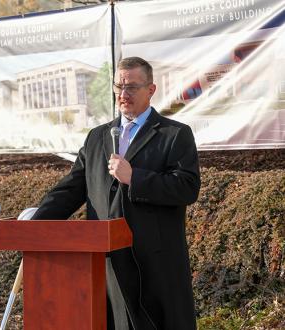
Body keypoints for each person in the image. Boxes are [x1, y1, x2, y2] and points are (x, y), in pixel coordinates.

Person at [31, 57, 201, 330]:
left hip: (154, 265)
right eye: (119, 86)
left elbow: (187, 187)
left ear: (151, 89)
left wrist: (135, 178)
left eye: (132, 86)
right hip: (107, 263)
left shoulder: (174, 134)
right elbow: (72, 187)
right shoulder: (98, 137)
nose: (124, 94)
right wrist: (34, 226)